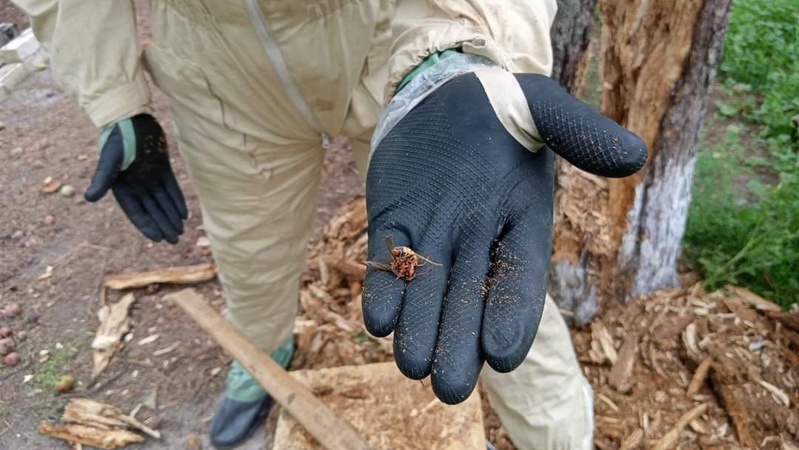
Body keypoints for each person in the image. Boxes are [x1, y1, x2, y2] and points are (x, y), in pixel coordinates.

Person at [15, 1, 646, 449]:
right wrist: (115, 97)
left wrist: (464, 45)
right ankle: (261, 357)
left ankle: (559, 434)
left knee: (480, 258)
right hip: (217, 68)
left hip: (395, 37)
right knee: (248, 248)